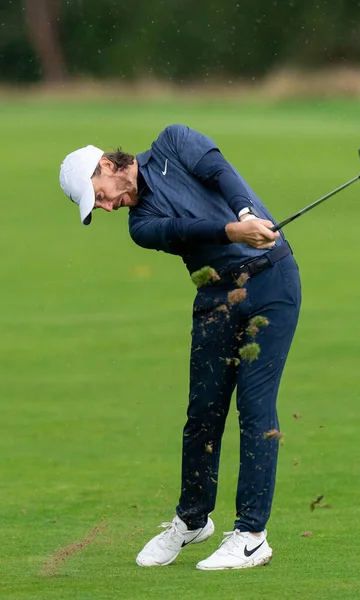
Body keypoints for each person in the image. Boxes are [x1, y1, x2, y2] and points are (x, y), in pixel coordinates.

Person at [59, 125, 301, 571]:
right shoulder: (141, 226)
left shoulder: (174, 140)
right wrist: (234, 230)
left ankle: (251, 536)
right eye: (101, 206)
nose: (109, 207)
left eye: (102, 195)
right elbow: (189, 228)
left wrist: (247, 213)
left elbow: (221, 174)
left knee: (255, 408)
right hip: (215, 296)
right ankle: (192, 520)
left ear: (108, 165)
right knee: (203, 413)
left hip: (272, 282)